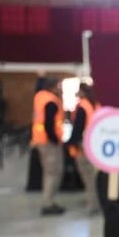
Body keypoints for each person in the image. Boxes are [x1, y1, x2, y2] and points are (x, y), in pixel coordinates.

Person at [31, 78, 65, 216]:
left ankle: (49, 201)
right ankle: (48, 204)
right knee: (53, 173)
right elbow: (49, 124)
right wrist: (55, 140)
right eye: (58, 86)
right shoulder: (51, 101)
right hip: (49, 143)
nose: (60, 89)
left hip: (41, 141)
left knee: (49, 172)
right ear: (52, 87)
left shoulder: (40, 96)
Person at [67, 83, 100, 214]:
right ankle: (97, 202)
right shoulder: (96, 104)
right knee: (94, 176)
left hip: (84, 145)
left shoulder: (83, 106)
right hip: (95, 144)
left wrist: (72, 143)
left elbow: (78, 128)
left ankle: (93, 204)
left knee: (88, 176)